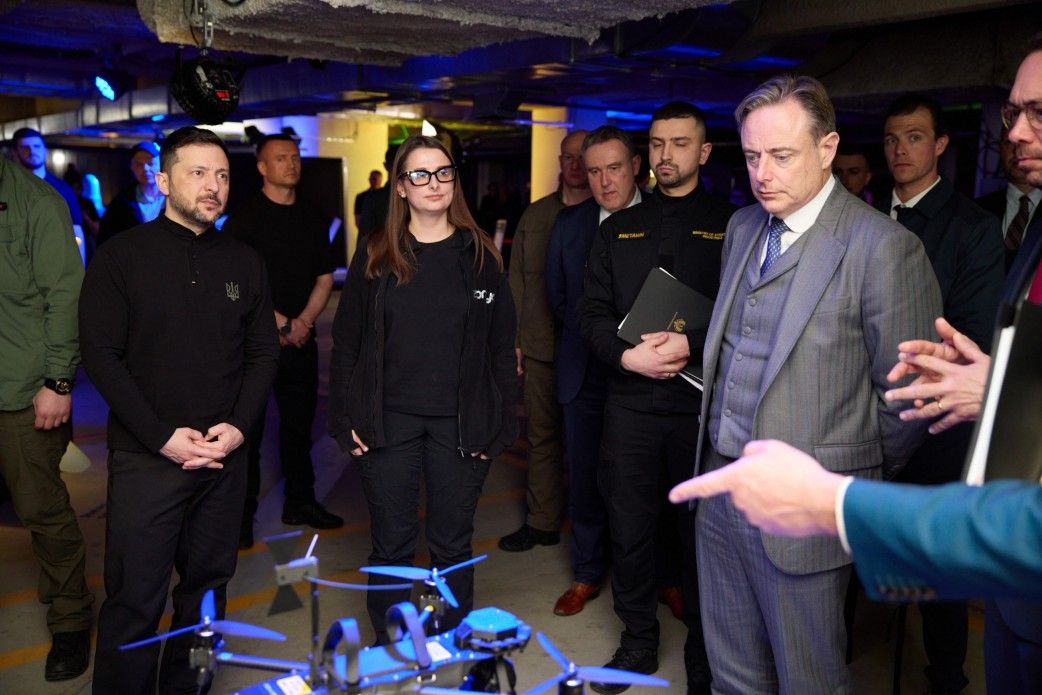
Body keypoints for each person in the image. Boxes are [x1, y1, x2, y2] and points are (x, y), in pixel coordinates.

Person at [693, 74, 941, 694]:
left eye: (781, 155)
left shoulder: (883, 248)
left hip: (804, 507)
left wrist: (842, 477)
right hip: (720, 489)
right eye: (752, 156)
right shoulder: (742, 228)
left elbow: (907, 399)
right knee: (732, 676)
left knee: (810, 680)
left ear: (828, 149)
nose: (762, 174)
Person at [81, 126, 279, 693]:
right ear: (164, 181)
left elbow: (263, 353)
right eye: (198, 173)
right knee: (134, 600)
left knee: (207, 593)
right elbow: (101, 356)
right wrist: (162, 436)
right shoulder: (121, 257)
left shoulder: (244, 261)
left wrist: (237, 429)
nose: (213, 186)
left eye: (222, 175)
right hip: (148, 458)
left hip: (222, 459)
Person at [327, 135, 517, 644]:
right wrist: (342, 419)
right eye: (420, 174)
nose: (434, 183)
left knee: (452, 543)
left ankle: (447, 640)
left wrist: (502, 423)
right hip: (388, 422)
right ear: (401, 187)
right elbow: (347, 342)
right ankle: (392, 643)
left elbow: (502, 347)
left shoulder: (480, 255)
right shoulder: (377, 253)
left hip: (461, 423)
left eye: (443, 172)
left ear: (454, 180)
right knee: (392, 542)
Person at [578, 102, 735, 695]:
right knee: (630, 527)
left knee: (702, 537)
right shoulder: (618, 228)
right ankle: (639, 641)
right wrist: (627, 357)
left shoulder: (735, 225)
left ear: (704, 152)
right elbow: (590, 313)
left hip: (700, 409)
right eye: (658, 143)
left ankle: (704, 654)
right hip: (630, 404)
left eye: (680, 143)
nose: (666, 155)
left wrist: (690, 344)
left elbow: (747, 314)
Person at [879, 91, 1005, 693]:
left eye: (914, 137)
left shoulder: (972, 229)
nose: (900, 150)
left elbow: (973, 335)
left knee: (936, 569)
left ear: (941, 145)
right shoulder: (864, 218)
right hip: (866, 414)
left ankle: (946, 678)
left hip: (935, 422)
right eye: (891, 139)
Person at [0, 152, 93, 682]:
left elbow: (66, 295)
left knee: (42, 511)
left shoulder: (35, 202)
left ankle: (71, 620)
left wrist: (58, 381)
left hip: (21, 389)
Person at [223, 134, 340, 548]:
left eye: (295, 157)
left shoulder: (312, 216)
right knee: (247, 436)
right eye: (280, 158)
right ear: (262, 167)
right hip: (255, 346)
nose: (291, 164)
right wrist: (281, 324)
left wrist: (303, 322)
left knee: (298, 430)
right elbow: (235, 285)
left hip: (300, 342)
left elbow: (324, 277)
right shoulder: (244, 220)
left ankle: (300, 503)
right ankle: (239, 521)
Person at [543, 126, 642, 617]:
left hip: (646, 375)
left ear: (636, 167)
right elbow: (559, 298)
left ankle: (657, 576)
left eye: (614, 168)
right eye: (595, 170)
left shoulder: (662, 217)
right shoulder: (569, 224)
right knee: (584, 481)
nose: (604, 181)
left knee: (642, 483)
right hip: (584, 371)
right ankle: (586, 573)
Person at [498, 129, 589, 555]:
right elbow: (515, 282)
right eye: (568, 156)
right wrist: (513, 339)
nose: (575, 165)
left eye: (582, 157)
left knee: (591, 443)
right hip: (538, 347)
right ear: (560, 161)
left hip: (588, 351)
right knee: (541, 437)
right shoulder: (535, 216)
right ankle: (542, 522)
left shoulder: (607, 216)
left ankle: (594, 531)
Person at [11, 127, 86, 264]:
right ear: (15, 153)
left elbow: (76, 231)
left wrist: (80, 270)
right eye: (25, 147)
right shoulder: (7, 188)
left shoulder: (63, 189)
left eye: (37, 146)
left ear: (45, 151)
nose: (32, 151)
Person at [976, 126, 1042, 271]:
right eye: (1009, 143)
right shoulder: (975, 210)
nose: (1017, 151)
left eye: (1025, 143)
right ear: (1000, 148)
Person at [97, 141, 165, 245]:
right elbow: (105, 238)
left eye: (150, 163)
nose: (145, 169)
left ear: (161, 165)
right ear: (132, 167)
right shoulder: (121, 203)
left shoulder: (175, 197)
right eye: (139, 164)